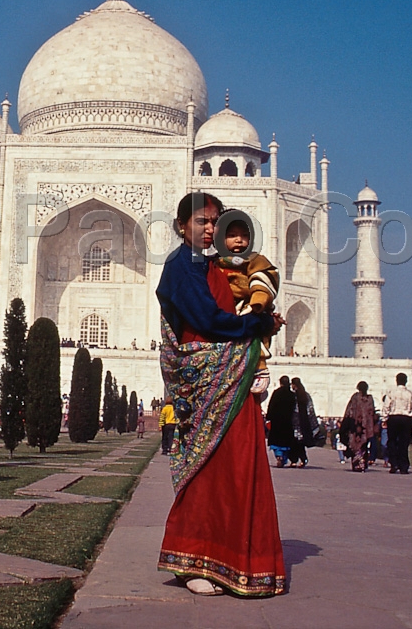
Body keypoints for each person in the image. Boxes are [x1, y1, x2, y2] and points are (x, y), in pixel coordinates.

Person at [156, 192, 286, 597]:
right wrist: (254, 326)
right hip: (209, 378)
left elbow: (239, 301)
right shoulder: (180, 266)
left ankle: (234, 561)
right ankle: (194, 558)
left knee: (240, 467)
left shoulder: (211, 264)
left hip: (232, 375)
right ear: (182, 226)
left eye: (214, 221)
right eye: (201, 222)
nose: (210, 229)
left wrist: (259, 317)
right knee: (209, 469)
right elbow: (208, 321)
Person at [215, 216, 278, 397]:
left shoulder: (255, 260)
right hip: (225, 311)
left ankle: (260, 369)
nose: (239, 240)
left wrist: (258, 301)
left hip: (249, 305)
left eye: (244, 235)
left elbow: (265, 278)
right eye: (232, 235)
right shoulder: (215, 263)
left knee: (255, 338)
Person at [382, 372, 412, 475]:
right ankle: (403, 466)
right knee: (404, 443)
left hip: (393, 418)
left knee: (392, 441)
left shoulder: (391, 393)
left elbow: (386, 406)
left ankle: (394, 464)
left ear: (396, 380)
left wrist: (384, 419)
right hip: (406, 419)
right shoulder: (410, 394)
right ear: (406, 381)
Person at [341, 381, 377, 472]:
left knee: (355, 445)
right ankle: (363, 464)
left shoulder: (355, 397)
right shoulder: (370, 399)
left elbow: (349, 410)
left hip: (355, 425)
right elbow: (371, 412)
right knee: (363, 446)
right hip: (366, 427)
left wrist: (345, 423)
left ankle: (356, 464)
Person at [288, 377, 320, 467]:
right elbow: (310, 409)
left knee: (294, 443)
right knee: (299, 443)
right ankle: (302, 459)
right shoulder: (305, 395)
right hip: (303, 423)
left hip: (295, 423)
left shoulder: (293, 396)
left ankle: (295, 460)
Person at [266, 376, 296, 467]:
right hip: (287, 422)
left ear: (280, 383)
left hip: (277, 421)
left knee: (276, 441)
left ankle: (278, 456)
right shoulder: (291, 395)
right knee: (286, 443)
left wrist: (269, 416)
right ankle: (283, 458)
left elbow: (271, 405)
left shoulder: (276, 393)